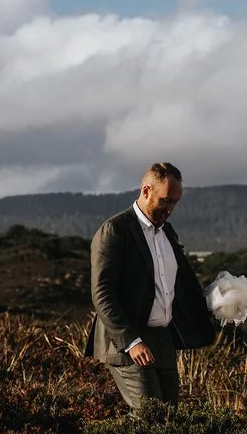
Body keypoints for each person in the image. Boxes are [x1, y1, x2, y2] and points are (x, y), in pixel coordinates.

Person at [87, 161, 218, 411]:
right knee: (151, 416)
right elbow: (101, 293)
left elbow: (178, 285)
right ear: (146, 191)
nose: (169, 209)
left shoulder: (167, 232)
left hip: (163, 340)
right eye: (165, 201)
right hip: (128, 341)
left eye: (174, 203)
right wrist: (131, 341)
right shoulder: (114, 231)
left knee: (169, 418)